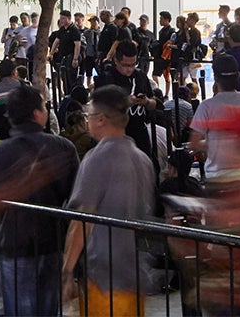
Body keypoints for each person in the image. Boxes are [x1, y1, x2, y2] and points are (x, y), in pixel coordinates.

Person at [0, 84, 80, 316]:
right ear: (37, 113)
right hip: (51, 241)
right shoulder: (63, 147)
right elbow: (75, 199)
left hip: (13, 243)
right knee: (48, 309)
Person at [62, 84, 156, 315]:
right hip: (135, 275)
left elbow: (82, 222)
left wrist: (67, 270)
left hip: (104, 278)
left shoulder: (95, 159)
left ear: (101, 119)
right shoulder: (142, 159)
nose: (88, 120)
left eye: (89, 115)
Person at [189, 54, 240, 178]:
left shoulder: (206, 106)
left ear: (215, 78)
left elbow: (194, 143)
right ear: (238, 76)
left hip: (216, 177)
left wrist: (214, 142)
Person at [94, 40, 163, 162]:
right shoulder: (107, 78)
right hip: (115, 137)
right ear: (116, 61)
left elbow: (153, 103)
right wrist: (124, 102)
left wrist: (146, 102)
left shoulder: (140, 76)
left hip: (140, 135)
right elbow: (99, 108)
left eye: (133, 65)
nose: (130, 69)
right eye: (126, 65)